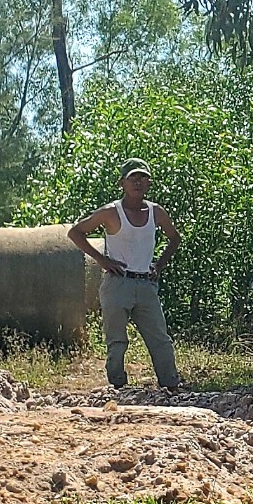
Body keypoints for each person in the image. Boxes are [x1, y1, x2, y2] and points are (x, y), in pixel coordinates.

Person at [69, 161, 185, 393]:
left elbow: (175, 238)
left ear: (149, 183)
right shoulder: (111, 212)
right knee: (117, 340)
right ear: (122, 183)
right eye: (133, 179)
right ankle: (118, 387)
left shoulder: (155, 211)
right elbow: (76, 232)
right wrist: (102, 260)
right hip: (117, 284)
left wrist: (159, 265)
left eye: (143, 178)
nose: (138, 183)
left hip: (146, 284)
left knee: (160, 339)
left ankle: (171, 386)